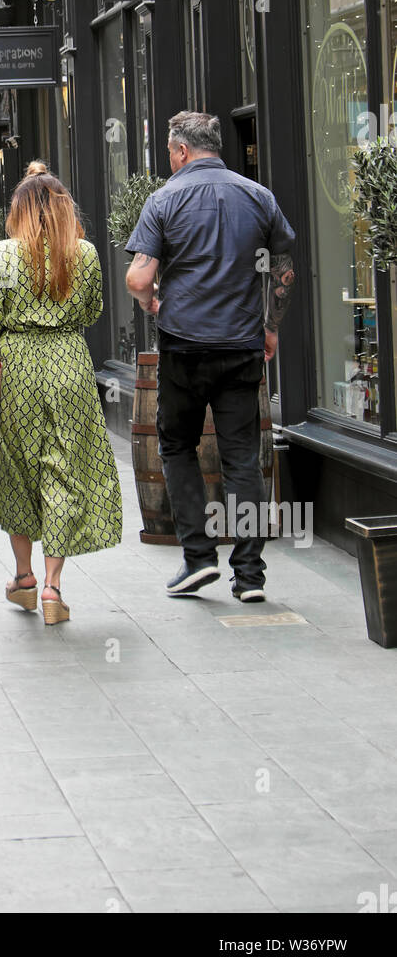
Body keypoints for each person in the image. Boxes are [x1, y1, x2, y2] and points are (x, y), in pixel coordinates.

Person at [125, 110, 295, 602]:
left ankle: (198, 558)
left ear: (180, 150)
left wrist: (150, 298)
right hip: (242, 344)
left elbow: (138, 279)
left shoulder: (164, 199)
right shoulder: (258, 196)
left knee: (177, 447)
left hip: (184, 346)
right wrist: (271, 327)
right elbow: (284, 268)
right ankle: (250, 576)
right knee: (242, 457)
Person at [0, 171, 122, 624]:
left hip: (15, 366)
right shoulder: (85, 254)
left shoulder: (2, 254)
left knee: (18, 470)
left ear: (20, 211)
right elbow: (93, 311)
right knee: (62, 468)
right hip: (69, 363)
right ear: (65, 208)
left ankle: (23, 579)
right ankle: (53, 589)